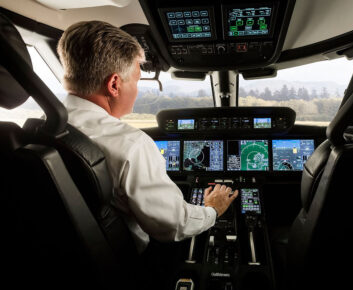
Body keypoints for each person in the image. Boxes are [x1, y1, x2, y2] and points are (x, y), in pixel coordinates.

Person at [57, 20, 238, 253]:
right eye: (136, 80)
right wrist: (213, 209)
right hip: (123, 264)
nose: (137, 89)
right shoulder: (131, 145)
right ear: (114, 84)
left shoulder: (39, 129)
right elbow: (173, 224)